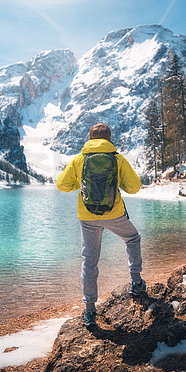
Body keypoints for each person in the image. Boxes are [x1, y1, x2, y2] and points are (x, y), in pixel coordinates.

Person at [56, 123, 145, 327]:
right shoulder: (117, 158)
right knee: (132, 238)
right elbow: (135, 187)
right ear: (109, 138)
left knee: (89, 260)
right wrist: (117, 182)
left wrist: (78, 184)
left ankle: (89, 310)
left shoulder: (80, 159)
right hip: (114, 213)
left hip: (87, 216)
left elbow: (61, 184)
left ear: (90, 137)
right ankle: (136, 282)